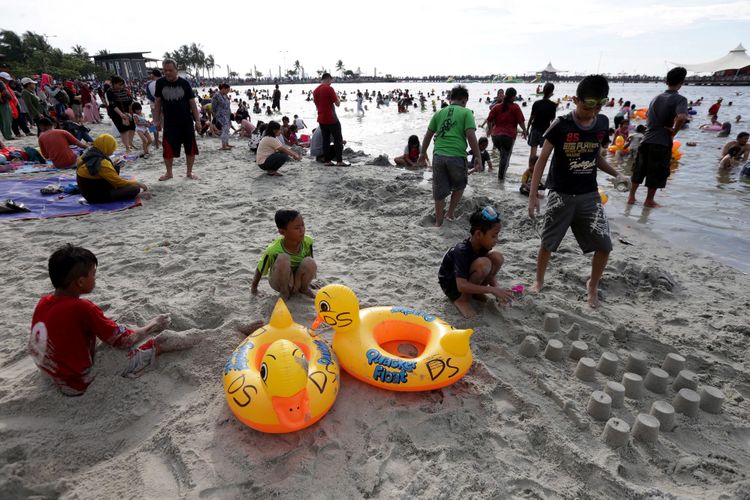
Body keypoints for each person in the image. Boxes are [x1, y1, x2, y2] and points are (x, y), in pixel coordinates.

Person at [28, 244, 191, 396]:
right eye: (93, 274)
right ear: (80, 282)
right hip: (76, 382)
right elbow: (124, 340)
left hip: (48, 372)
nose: (95, 278)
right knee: (154, 344)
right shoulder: (83, 308)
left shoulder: (43, 302)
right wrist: (152, 326)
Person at [528, 75, 629, 308]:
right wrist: (533, 196)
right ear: (576, 100)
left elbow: (597, 158)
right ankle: (538, 281)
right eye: (586, 106)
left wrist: (617, 174)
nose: (591, 112)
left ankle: (592, 285)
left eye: (598, 106)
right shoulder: (561, 124)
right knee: (548, 243)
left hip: (589, 196)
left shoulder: (602, 123)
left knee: (605, 246)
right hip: (560, 195)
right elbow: (541, 161)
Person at [417, 85, 481, 227]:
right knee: (459, 185)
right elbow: (471, 135)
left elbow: (428, 135)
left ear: (451, 99)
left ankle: (438, 222)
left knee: (439, 190)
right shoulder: (466, 113)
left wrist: (423, 152)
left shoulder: (439, 113)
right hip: (457, 156)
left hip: (438, 155)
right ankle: (450, 213)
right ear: (464, 100)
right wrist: (477, 156)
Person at [627, 67, 688, 208]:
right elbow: (682, 117)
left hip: (646, 139)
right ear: (682, 82)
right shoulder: (680, 99)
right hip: (661, 141)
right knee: (657, 171)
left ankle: (631, 197)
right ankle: (649, 200)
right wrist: (674, 131)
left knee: (639, 169)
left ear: (667, 81)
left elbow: (648, 117)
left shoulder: (656, 98)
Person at [438, 206, 513, 318]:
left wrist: (497, 289)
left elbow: (490, 273)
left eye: (497, 235)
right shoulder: (462, 250)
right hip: (452, 284)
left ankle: (475, 294)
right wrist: (492, 290)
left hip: (466, 276)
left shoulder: (483, 245)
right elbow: (461, 285)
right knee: (484, 264)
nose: (496, 239)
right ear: (478, 234)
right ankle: (463, 300)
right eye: (493, 235)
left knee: (497, 257)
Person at [153, 59, 203, 181]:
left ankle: (189, 172)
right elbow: (157, 102)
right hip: (169, 122)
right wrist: (156, 121)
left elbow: (192, 103)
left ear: (176, 70)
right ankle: (169, 173)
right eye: (165, 70)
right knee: (168, 148)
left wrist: (197, 121)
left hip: (186, 121)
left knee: (190, 147)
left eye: (170, 70)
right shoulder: (160, 83)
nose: (167, 73)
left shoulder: (185, 83)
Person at [250, 209, 317, 299]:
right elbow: (260, 269)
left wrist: (309, 281)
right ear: (282, 232)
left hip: (296, 280)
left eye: (303, 225)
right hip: (280, 281)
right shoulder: (273, 250)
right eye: (297, 228)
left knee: (310, 261)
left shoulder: (308, 241)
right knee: (283, 259)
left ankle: (304, 289)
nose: (302, 230)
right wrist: (254, 289)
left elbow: (310, 260)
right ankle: (284, 292)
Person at [76, 134, 148, 203]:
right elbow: (118, 182)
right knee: (134, 188)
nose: (113, 150)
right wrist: (138, 183)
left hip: (88, 191)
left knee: (128, 183)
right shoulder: (103, 162)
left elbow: (96, 169)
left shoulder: (89, 154)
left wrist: (112, 165)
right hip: (96, 196)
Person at [484, 87, 527, 180]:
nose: (515, 98)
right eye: (515, 96)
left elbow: (489, 120)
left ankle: (501, 176)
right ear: (513, 97)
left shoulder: (496, 107)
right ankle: (501, 179)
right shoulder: (515, 107)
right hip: (508, 136)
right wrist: (525, 130)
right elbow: (521, 121)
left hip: (495, 137)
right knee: (505, 157)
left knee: (503, 155)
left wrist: (490, 129)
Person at [313, 73, 349, 166]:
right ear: (328, 79)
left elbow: (317, 105)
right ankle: (339, 161)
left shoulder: (315, 91)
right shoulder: (329, 89)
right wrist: (338, 98)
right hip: (331, 118)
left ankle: (327, 161)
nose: (331, 83)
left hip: (321, 118)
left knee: (325, 140)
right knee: (338, 139)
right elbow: (337, 104)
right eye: (331, 80)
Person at [104, 76, 136, 152]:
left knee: (132, 127)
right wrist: (121, 114)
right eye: (119, 84)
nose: (121, 86)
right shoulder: (109, 92)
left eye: (122, 84)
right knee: (123, 129)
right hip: (116, 112)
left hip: (127, 111)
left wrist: (131, 112)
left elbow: (130, 100)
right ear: (114, 84)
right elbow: (112, 104)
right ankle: (127, 147)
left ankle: (130, 143)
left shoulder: (124, 90)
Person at [527, 83, 557, 163]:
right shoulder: (553, 105)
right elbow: (553, 121)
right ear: (552, 92)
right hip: (545, 131)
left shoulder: (536, 103)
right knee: (544, 155)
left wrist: (527, 130)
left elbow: (531, 118)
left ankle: (530, 170)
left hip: (535, 129)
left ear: (543, 91)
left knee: (532, 153)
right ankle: (539, 172)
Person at [211, 83, 233, 150]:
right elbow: (213, 106)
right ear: (223, 88)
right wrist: (215, 115)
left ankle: (226, 143)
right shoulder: (216, 96)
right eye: (227, 90)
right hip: (220, 115)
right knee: (224, 128)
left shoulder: (225, 95)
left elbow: (228, 106)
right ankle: (224, 145)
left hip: (227, 115)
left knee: (227, 129)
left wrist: (230, 114)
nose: (228, 92)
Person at [144, 69, 161, 148]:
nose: (150, 76)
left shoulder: (149, 84)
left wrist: (156, 101)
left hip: (154, 106)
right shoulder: (164, 81)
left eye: (151, 74)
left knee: (154, 124)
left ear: (153, 75)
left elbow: (148, 96)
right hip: (164, 106)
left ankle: (157, 142)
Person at [0, 71, 15, 140]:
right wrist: (10, 98)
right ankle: (8, 135)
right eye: (6, 79)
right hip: (3, 103)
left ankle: (5, 135)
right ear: (2, 78)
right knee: (7, 119)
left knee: (1, 121)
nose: (8, 80)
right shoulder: (1, 82)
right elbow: (5, 92)